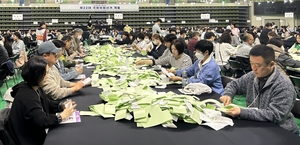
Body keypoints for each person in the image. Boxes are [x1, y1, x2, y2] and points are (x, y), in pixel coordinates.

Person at [220, 45, 299, 134]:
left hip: (280, 131)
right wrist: (228, 94)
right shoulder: (252, 76)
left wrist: (242, 112)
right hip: (256, 125)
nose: (253, 68)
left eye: (258, 65)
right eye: (251, 63)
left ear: (271, 64)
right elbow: (234, 84)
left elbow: (274, 115)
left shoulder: (284, 86)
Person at [6, 56, 77, 145]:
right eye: (45, 73)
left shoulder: (35, 87)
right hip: (26, 140)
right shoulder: (27, 95)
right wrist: (61, 116)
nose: (47, 76)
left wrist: (61, 105)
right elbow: (40, 120)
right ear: (36, 74)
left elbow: (47, 103)